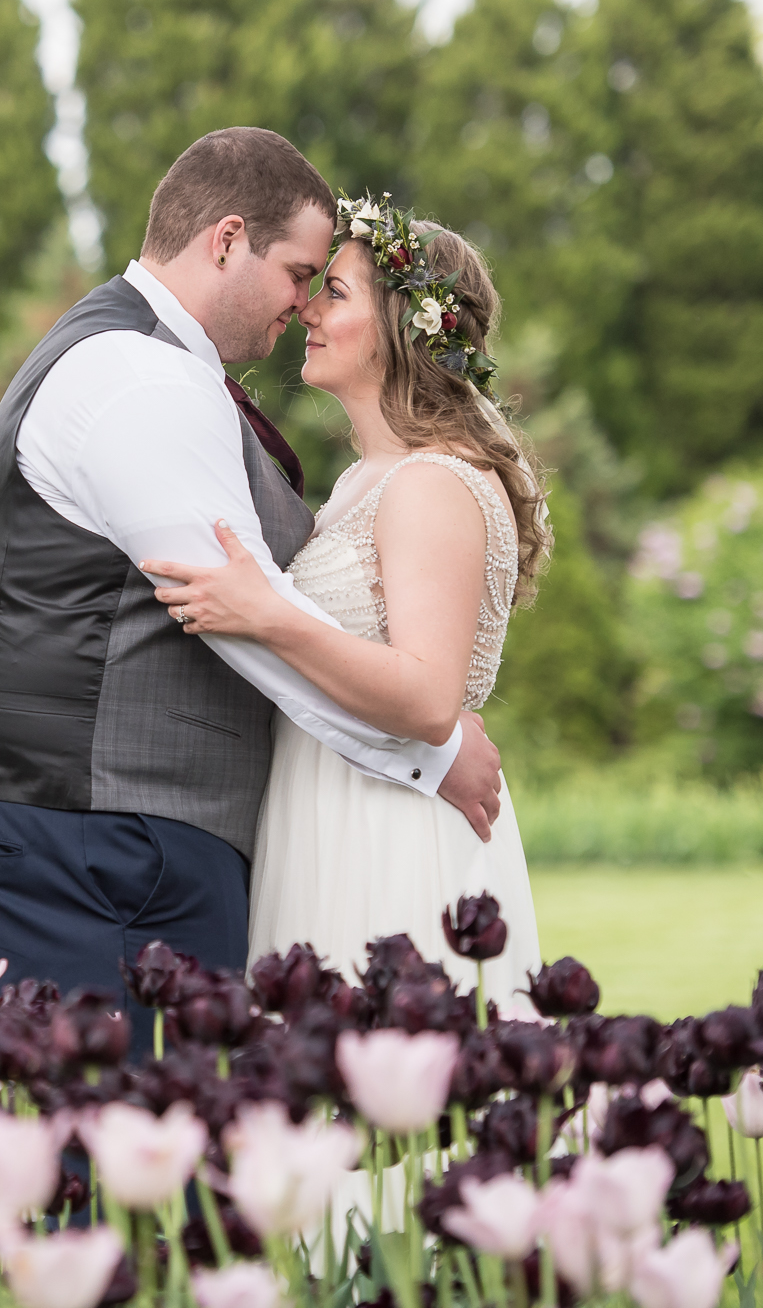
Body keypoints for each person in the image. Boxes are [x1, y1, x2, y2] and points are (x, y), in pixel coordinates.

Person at [0, 129, 506, 1045]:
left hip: (147, 833)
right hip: (93, 833)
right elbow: (238, 619)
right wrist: (431, 754)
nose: (303, 303)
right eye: (299, 272)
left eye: (328, 284)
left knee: (172, 1148)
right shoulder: (138, 376)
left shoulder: (174, 370)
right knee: (137, 1149)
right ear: (226, 240)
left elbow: (259, 606)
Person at [141, 192, 547, 1001]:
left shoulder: (431, 483)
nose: (306, 310)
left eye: (335, 293)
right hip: (329, 804)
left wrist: (267, 614)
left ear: (403, 330)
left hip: (384, 828)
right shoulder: (369, 480)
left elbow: (431, 699)